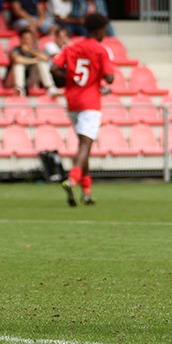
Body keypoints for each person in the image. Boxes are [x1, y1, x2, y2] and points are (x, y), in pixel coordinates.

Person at [51, 13, 114, 206]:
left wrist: (66, 81)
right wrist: (104, 85)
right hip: (90, 103)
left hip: (72, 102)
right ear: (98, 30)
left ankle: (86, 192)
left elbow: (54, 68)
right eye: (103, 30)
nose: (104, 34)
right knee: (85, 146)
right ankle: (72, 179)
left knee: (82, 147)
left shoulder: (72, 47)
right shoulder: (100, 50)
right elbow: (110, 78)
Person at [6, 28, 58, 96]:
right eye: (24, 38)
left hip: (29, 81)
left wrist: (30, 50)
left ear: (32, 40)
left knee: (42, 63)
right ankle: (19, 88)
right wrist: (34, 60)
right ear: (20, 39)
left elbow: (46, 58)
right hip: (12, 81)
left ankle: (50, 87)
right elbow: (17, 60)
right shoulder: (15, 49)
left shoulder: (34, 50)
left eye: (28, 39)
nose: (26, 41)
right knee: (19, 65)